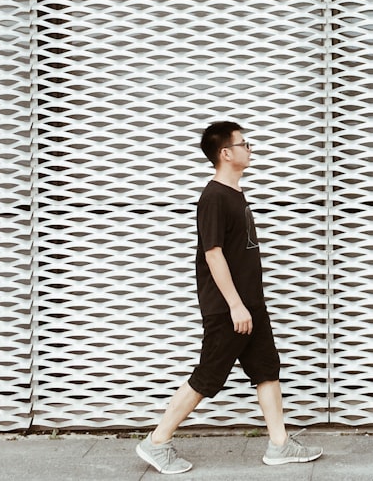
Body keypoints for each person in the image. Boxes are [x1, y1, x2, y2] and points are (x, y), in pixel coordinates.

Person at [135, 121, 322, 474]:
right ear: (226, 153)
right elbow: (213, 254)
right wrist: (235, 305)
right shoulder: (214, 198)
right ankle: (157, 442)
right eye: (243, 143)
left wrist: (248, 303)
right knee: (208, 376)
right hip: (228, 308)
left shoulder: (233, 194)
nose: (249, 148)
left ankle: (279, 444)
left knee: (267, 369)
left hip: (250, 305)